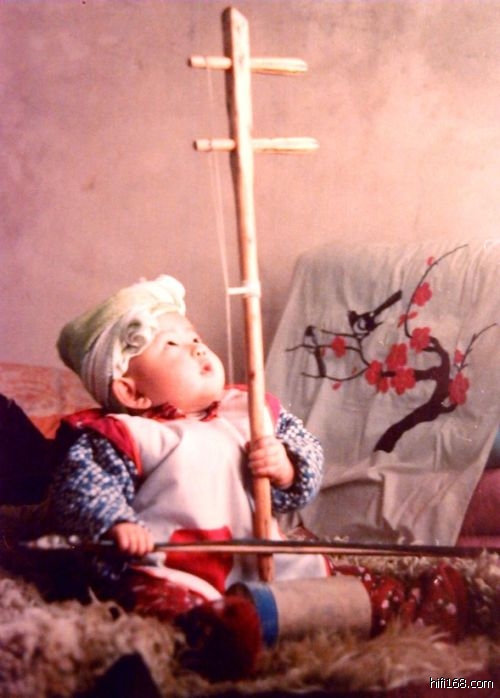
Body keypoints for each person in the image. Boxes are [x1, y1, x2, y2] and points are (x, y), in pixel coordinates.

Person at [50, 274, 329, 620]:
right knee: (160, 597)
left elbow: (309, 449)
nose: (197, 347)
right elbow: (79, 488)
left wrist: (288, 468)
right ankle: (221, 629)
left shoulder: (251, 409)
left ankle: (370, 600)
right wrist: (115, 523)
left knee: (314, 574)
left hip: (258, 553)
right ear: (132, 392)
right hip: (174, 565)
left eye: (195, 338)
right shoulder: (126, 435)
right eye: (172, 345)